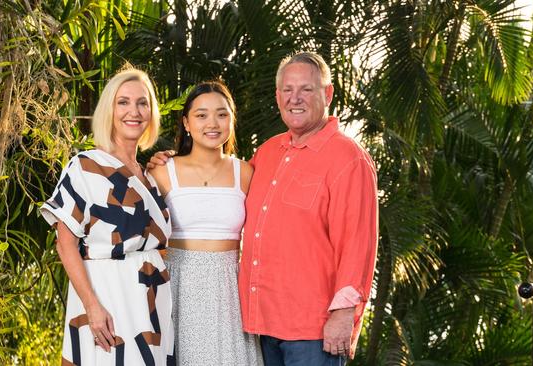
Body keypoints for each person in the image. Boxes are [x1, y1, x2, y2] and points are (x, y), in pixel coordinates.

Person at [149, 52, 378, 365]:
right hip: (261, 323)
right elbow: (214, 189)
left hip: (312, 328)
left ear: (327, 94)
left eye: (306, 89)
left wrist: (344, 316)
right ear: (278, 96)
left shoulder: (348, 158)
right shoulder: (268, 153)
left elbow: (358, 244)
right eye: (287, 90)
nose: (295, 98)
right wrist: (173, 159)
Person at [40, 66, 175, 365]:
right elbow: (65, 244)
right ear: (109, 110)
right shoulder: (85, 166)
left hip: (151, 296)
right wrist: (92, 306)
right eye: (123, 102)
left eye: (143, 103)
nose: (134, 111)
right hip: (106, 292)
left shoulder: (151, 176)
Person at [147, 81, 263, 366]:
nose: (213, 123)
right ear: (186, 123)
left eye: (222, 114)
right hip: (179, 285)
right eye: (201, 115)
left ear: (232, 121)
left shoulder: (246, 172)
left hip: (230, 291)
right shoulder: (162, 172)